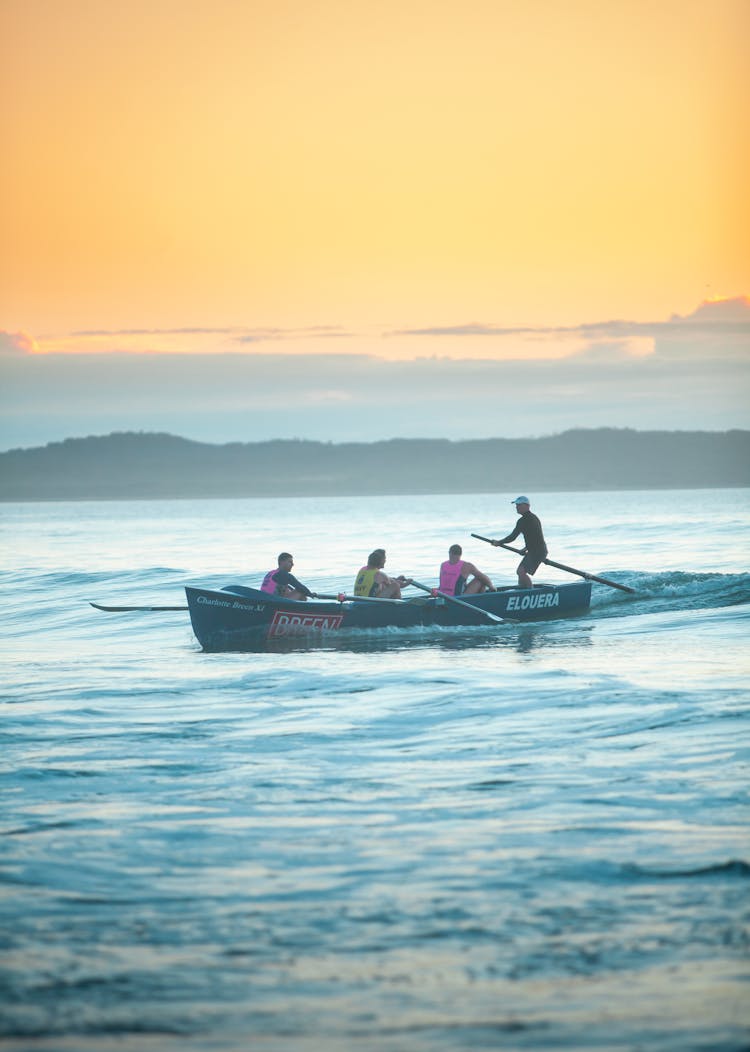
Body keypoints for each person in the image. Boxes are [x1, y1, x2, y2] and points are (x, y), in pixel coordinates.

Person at [493, 496, 548, 589]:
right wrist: (526, 548)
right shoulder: (533, 518)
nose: (516, 507)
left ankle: (530, 592)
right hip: (536, 550)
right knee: (520, 572)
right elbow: (534, 537)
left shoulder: (525, 520)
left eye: (519, 505)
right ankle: (523, 590)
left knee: (520, 572)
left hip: (537, 551)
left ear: (527, 506)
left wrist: (499, 542)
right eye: (516, 505)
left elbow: (512, 537)